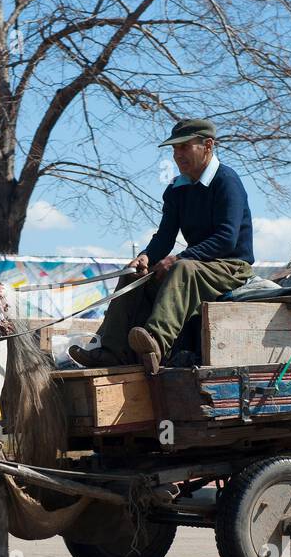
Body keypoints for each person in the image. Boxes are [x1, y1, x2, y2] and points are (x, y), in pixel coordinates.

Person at [70, 118, 255, 373]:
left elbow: (226, 238)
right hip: (196, 264)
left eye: (184, 147)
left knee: (183, 269)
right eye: (174, 149)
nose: (177, 155)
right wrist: (146, 256)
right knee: (134, 275)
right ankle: (110, 350)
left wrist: (179, 258)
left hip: (230, 266)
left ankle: (154, 343)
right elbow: (165, 236)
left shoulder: (226, 181)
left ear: (208, 145)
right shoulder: (177, 189)